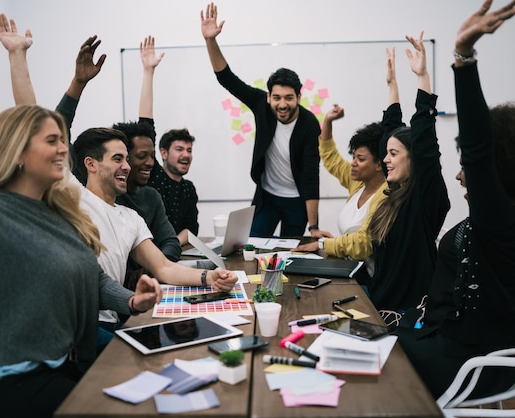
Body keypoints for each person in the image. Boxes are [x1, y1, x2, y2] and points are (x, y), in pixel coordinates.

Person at [0, 15, 238, 341]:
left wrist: (210, 280)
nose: (128, 167)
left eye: (128, 158)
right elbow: (34, 131)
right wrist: (20, 57)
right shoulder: (72, 197)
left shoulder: (130, 217)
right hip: (80, 329)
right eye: (118, 159)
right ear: (90, 165)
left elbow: (164, 268)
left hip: (118, 318)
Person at [396, 0, 515, 399]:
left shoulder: (499, 224)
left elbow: (477, 148)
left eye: (468, 169)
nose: (462, 173)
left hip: (466, 366)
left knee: (365, 360)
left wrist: (464, 56)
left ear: (493, 174)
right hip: (481, 354)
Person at [0, 103, 162, 417]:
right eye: (52, 141)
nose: (64, 149)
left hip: (64, 367)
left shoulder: (59, 215)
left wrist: (133, 301)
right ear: (17, 151)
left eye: (62, 141)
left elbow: (92, 278)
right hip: (11, 383)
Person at [201, 2, 329, 239]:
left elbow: (312, 175)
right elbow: (227, 79)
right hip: (267, 197)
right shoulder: (262, 105)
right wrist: (210, 40)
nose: (282, 104)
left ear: (299, 97)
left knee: (291, 255)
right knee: (251, 246)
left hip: (296, 202)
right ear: (269, 96)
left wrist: (313, 227)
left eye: (289, 98)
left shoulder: (309, 123)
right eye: (277, 97)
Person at [354, 35, 450, 314]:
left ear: (414, 158)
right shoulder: (394, 194)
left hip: (406, 315)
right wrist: (391, 84)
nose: (385, 160)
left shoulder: (425, 198)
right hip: (380, 303)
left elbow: (425, 142)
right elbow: (390, 129)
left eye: (394, 155)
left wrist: (422, 76)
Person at [112, 36, 181, 263]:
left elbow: (171, 242)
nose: (150, 163)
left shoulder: (151, 196)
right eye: (141, 156)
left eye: (151, 155)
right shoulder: (106, 199)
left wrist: (155, 269)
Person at [292, 105, 387, 269]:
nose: (353, 163)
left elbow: (363, 242)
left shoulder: (386, 195)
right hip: (350, 267)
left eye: (361, 159)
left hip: (370, 279)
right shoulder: (358, 183)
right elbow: (331, 157)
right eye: (353, 157)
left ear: (379, 164)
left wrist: (325, 244)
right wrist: (328, 121)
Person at [147, 127, 200, 246]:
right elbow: (147, 130)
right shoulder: (153, 176)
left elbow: (191, 228)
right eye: (179, 149)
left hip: (174, 250)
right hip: (152, 251)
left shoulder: (188, 188)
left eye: (189, 150)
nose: (186, 154)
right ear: (164, 153)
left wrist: (173, 245)